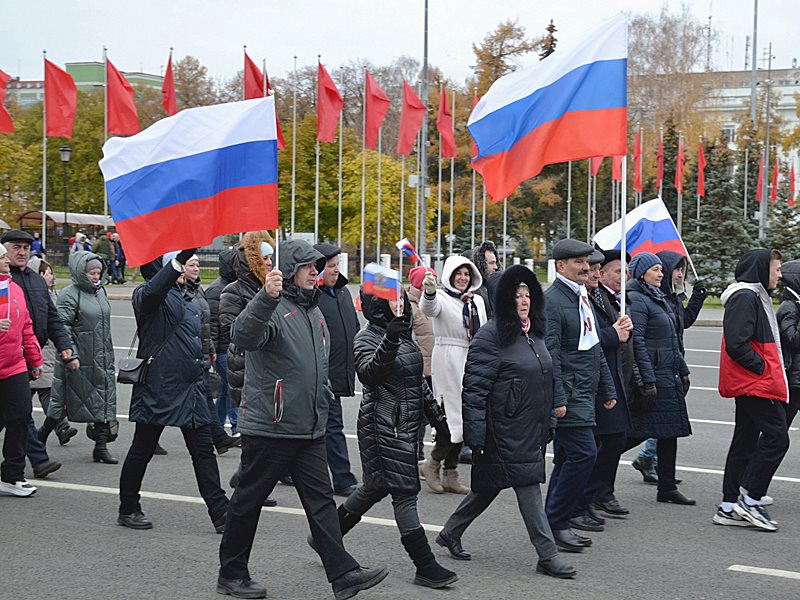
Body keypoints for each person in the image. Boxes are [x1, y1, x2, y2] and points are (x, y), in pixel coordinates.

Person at [217, 240, 388, 600]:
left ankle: (343, 575)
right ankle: (231, 575)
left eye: (319, 265)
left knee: (322, 501)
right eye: (310, 266)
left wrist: (324, 399)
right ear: (290, 270)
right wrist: (265, 297)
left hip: (309, 426)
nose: (317, 271)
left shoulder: (313, 311)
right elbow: (242, 337)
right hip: (272, 426)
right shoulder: (273, 306)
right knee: (248, 501)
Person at [436, 265, 576, 579]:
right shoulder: (492, 334)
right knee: (528, 486)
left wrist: (553, 413)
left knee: (489, 486)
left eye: (528, 294)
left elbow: (547, 377)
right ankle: (547, 554)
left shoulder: (534, 332)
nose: (523, 300)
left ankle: (450, 532)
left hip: (530, 426)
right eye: (517, 295)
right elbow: (474, 387)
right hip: (504, 429)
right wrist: (475, 431)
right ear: (504, 300)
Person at [313, 288, 457, 589]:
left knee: (374, 487)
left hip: (403, 424)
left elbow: (417, 383)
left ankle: (325, 538)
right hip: (383, 426)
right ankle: (425, 565)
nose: (400, 305)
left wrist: (440, 423)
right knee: (404, 493)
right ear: (377, 305)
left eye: (402, 299)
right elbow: (368, 374)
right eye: (392, 300)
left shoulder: (404, 334)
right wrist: (390, 338)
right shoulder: (367, 338)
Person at [117, 250, 229, 531]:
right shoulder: (146, 294)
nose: (183, 269)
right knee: (142, 448)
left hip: (192, 386)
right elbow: (155, 290)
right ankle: (128, 507)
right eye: (176, 265)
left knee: (203, 451)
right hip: (159, 385)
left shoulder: (187, 295)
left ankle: (221, 512)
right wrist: (179, 259)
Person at [543, 239, 616, 553]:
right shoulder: (554, 301)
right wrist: (557, 398)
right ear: (561, 266)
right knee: (584, 454)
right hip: (570, 395)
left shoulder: (580, 295)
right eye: (579, 263)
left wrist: (608, 388)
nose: (587, 268)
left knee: (567, 459)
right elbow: (551, 354)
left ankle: (552, 522)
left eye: (587, 262)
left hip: (585, 391)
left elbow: (593, 345)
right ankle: (557, 521)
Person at [715, 249, 789, 531]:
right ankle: (752, 499)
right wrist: (761, 367)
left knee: (744, 442)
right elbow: (737, 343)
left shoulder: (754, 295)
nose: (779, 274)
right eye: (776, 268)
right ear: (761, 269)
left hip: (751, 381)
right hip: (753, 382)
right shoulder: (746, 296)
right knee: (777, 437)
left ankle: (728, 505)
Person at [631, 251, 708, 484]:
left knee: (668, 422)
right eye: (676, 268)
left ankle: (657, 470)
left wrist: (697, 298)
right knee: (652, 423)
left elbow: (681, 323)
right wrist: (647, 378)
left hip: (672, 365)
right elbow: (638, 341)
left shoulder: (669, 296)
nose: (679, 273)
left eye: (682, 269)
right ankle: (643, 459)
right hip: (658, 369)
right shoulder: (650, 298)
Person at [1, 229, 70, 478]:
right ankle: (38, 461)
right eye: (16, 247)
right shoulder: (5, 282)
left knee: (16, 414)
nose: (22, 252)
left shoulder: (35, 280)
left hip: (28, 356)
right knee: (19, 414)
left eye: (26, 248)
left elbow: (51, 318)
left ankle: (29, 465)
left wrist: (65, 346)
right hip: (8, 358)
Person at [419, 255, 487, 494]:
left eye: (467, 274)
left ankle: (451, 473)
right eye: (458, 273)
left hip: (471, 358)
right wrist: (429, 292)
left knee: (467, 418)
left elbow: (484, 330)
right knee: (450, 419)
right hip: (447, 360)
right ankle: (432, 464)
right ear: (450, 275)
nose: (462, 278)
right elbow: (429, 308)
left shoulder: (476, 301)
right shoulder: (442, 298)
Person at [46, 252, 119, 464]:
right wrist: (71, 354)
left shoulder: (99, 292)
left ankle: (100, 447)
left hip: (102, 355)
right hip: (78, 358)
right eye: (91, 273)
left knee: (103, 400)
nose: (96, 277)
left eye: (98, 273)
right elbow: (62, 327)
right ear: (81, 272)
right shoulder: (70, 294)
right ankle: (39, 439)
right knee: (61, 403)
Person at [314, 242, 360, 496]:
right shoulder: (312, 295)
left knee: (314, 429)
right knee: (332, 426)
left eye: (337, 265)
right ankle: (342, 479)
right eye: (331, 266)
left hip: (339, 371)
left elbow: (353, 326)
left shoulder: (341, 293)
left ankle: (275, 471)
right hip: (320, 375)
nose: (335, 271)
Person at [182, 254, 240, 455]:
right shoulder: (212, 289)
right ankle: (233, 429)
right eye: (192, 265)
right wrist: (216, 348)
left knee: (209, 396)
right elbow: (213, 324)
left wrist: (210, 351)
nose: (197, 269)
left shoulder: (198, 290)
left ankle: (220, 439)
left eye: (198, 265)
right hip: (192, 357)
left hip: (205, 354)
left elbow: (205, 324)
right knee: (227, 390)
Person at [0, 243, 44, 496]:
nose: (7, 259)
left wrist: (35, 359)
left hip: (14, 364)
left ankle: (12, 476)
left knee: (20, 415)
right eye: (2, 256)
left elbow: (26, 325)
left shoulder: (13, 288)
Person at [28, 256, 78, 446]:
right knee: (44, 391)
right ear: (39, 275)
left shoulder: (52, 293)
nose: (53, 277)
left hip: (50, 350)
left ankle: (58, 428)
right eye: (49, 273)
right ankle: (60, 427)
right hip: (39, 349)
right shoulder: (37, 295)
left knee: (44, 391)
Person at [205, 247, 238, 433]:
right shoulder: (216, 290)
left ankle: (215, 426)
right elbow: (211, 324)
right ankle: (237, 426)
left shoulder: (235, 285)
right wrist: (214, 351)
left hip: (232, 347)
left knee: (227, 388)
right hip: (223, 350)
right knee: (234, 386)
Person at [407, 266, 436, 469]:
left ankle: (419, 455)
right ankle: (414, 457)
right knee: (416, 417)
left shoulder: (433, 303)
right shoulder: (410, 307)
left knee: (427, 417)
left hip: (434, 369)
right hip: (418, 371)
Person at [776, 259, 800, 429]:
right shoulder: (789, 307)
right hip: (794, 379)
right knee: (779, 430)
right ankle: (759, 455)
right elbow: (793, 340)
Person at [464, 240, 500, 318]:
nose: (496, 267)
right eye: (491, 263)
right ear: (480, 264)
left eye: (496, 263)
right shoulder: (473, 292)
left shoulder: (495, 288)